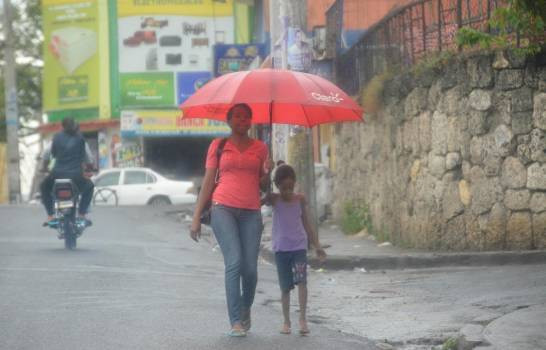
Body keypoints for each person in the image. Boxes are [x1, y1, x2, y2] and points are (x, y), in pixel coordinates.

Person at [190, 103, 272, 337]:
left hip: (251, 212)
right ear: (228, 121)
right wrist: (196, 217)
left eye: (246, 117)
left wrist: (267, 171)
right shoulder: (218, 145)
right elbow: (207, 182)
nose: (242, 121)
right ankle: (235, 321)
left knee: (250, 270)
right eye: (237, 117)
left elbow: (263, 185)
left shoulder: (261, 148)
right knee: (234, 262)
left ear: (251, 122)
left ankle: (245, 308)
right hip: (222, 208)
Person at [264, 163, 326, 336]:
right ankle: (286, 321)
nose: (288, 192)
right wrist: (266, 181)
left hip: (299, 247)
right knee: (285, 288)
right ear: (278, 186)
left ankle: (303, 319)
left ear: (295, 185)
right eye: (284, 188)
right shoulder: (274, 200)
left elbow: (307, 223)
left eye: (291, 188)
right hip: (281, 251)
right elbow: (260, 199)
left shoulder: (300, 200)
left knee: (302, 283)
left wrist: (317, 246)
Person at [40, 117, 95, 226]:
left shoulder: (56, 138)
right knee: (89, 186)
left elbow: (46, 155)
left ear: (63, 126)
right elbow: (89, 159)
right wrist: (89, 169)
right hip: (76, 177)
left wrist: (45, 167)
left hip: (56, 175)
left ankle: (51, 215)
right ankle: (82, 214)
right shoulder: (81, 139)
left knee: (43, 187)